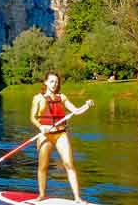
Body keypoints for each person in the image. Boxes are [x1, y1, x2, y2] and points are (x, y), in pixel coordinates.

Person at [30, 71, 94, 203]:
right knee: (43, 166)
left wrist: (86, 105)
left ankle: (77, 198)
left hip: (60, 134)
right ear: (46, 82)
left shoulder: (62, 97)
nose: (54, 84)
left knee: (69, 164)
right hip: (45, 135)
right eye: (52, 81)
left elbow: (75, 111)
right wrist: (40, 127)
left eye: (56, 82)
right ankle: (41, 195)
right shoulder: (38, 98)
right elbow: (33, 117)